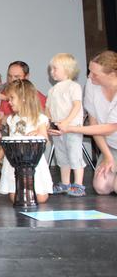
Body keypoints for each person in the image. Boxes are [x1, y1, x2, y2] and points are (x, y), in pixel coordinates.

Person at [57, 51, 117, 195]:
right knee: (101, 187)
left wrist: (70, 128)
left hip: (110, 133)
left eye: (95, 74)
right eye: (89, 71)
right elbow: (93, 123)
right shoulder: (91, 84)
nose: (89, 76)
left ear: (112, 74)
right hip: (111, 146)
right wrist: (108, 156)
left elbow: (110, 128)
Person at [0, 79, 53, 203]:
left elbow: (45, 139)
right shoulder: (12, 119)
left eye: (12, 98)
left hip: (33, 161)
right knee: (15, 198)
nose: (9, 102)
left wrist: (38, 134)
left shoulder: (38, 118)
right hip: (15, 161)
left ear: (23, 98)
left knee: (41, 198)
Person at [46, 53, 85, 197]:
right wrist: (50, 122)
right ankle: (65, 183)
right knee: (62, 156)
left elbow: (77, 105)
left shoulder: (74, 86)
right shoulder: (52, 90)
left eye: (55, 69)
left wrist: (67, 122)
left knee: (75, 155)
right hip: (58, 129)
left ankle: (79, 185)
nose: (52, 72)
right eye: (51, 69)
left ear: (67, 69)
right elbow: (48, 108)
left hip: (72, 127)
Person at [0, 61, 46, 134]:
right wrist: (4, 121)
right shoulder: (3, 94)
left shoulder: (36, 97)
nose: (12, 80)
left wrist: (38, 132)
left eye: (16, 77)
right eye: (9, 76)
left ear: (27, 77)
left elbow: (46, 123)